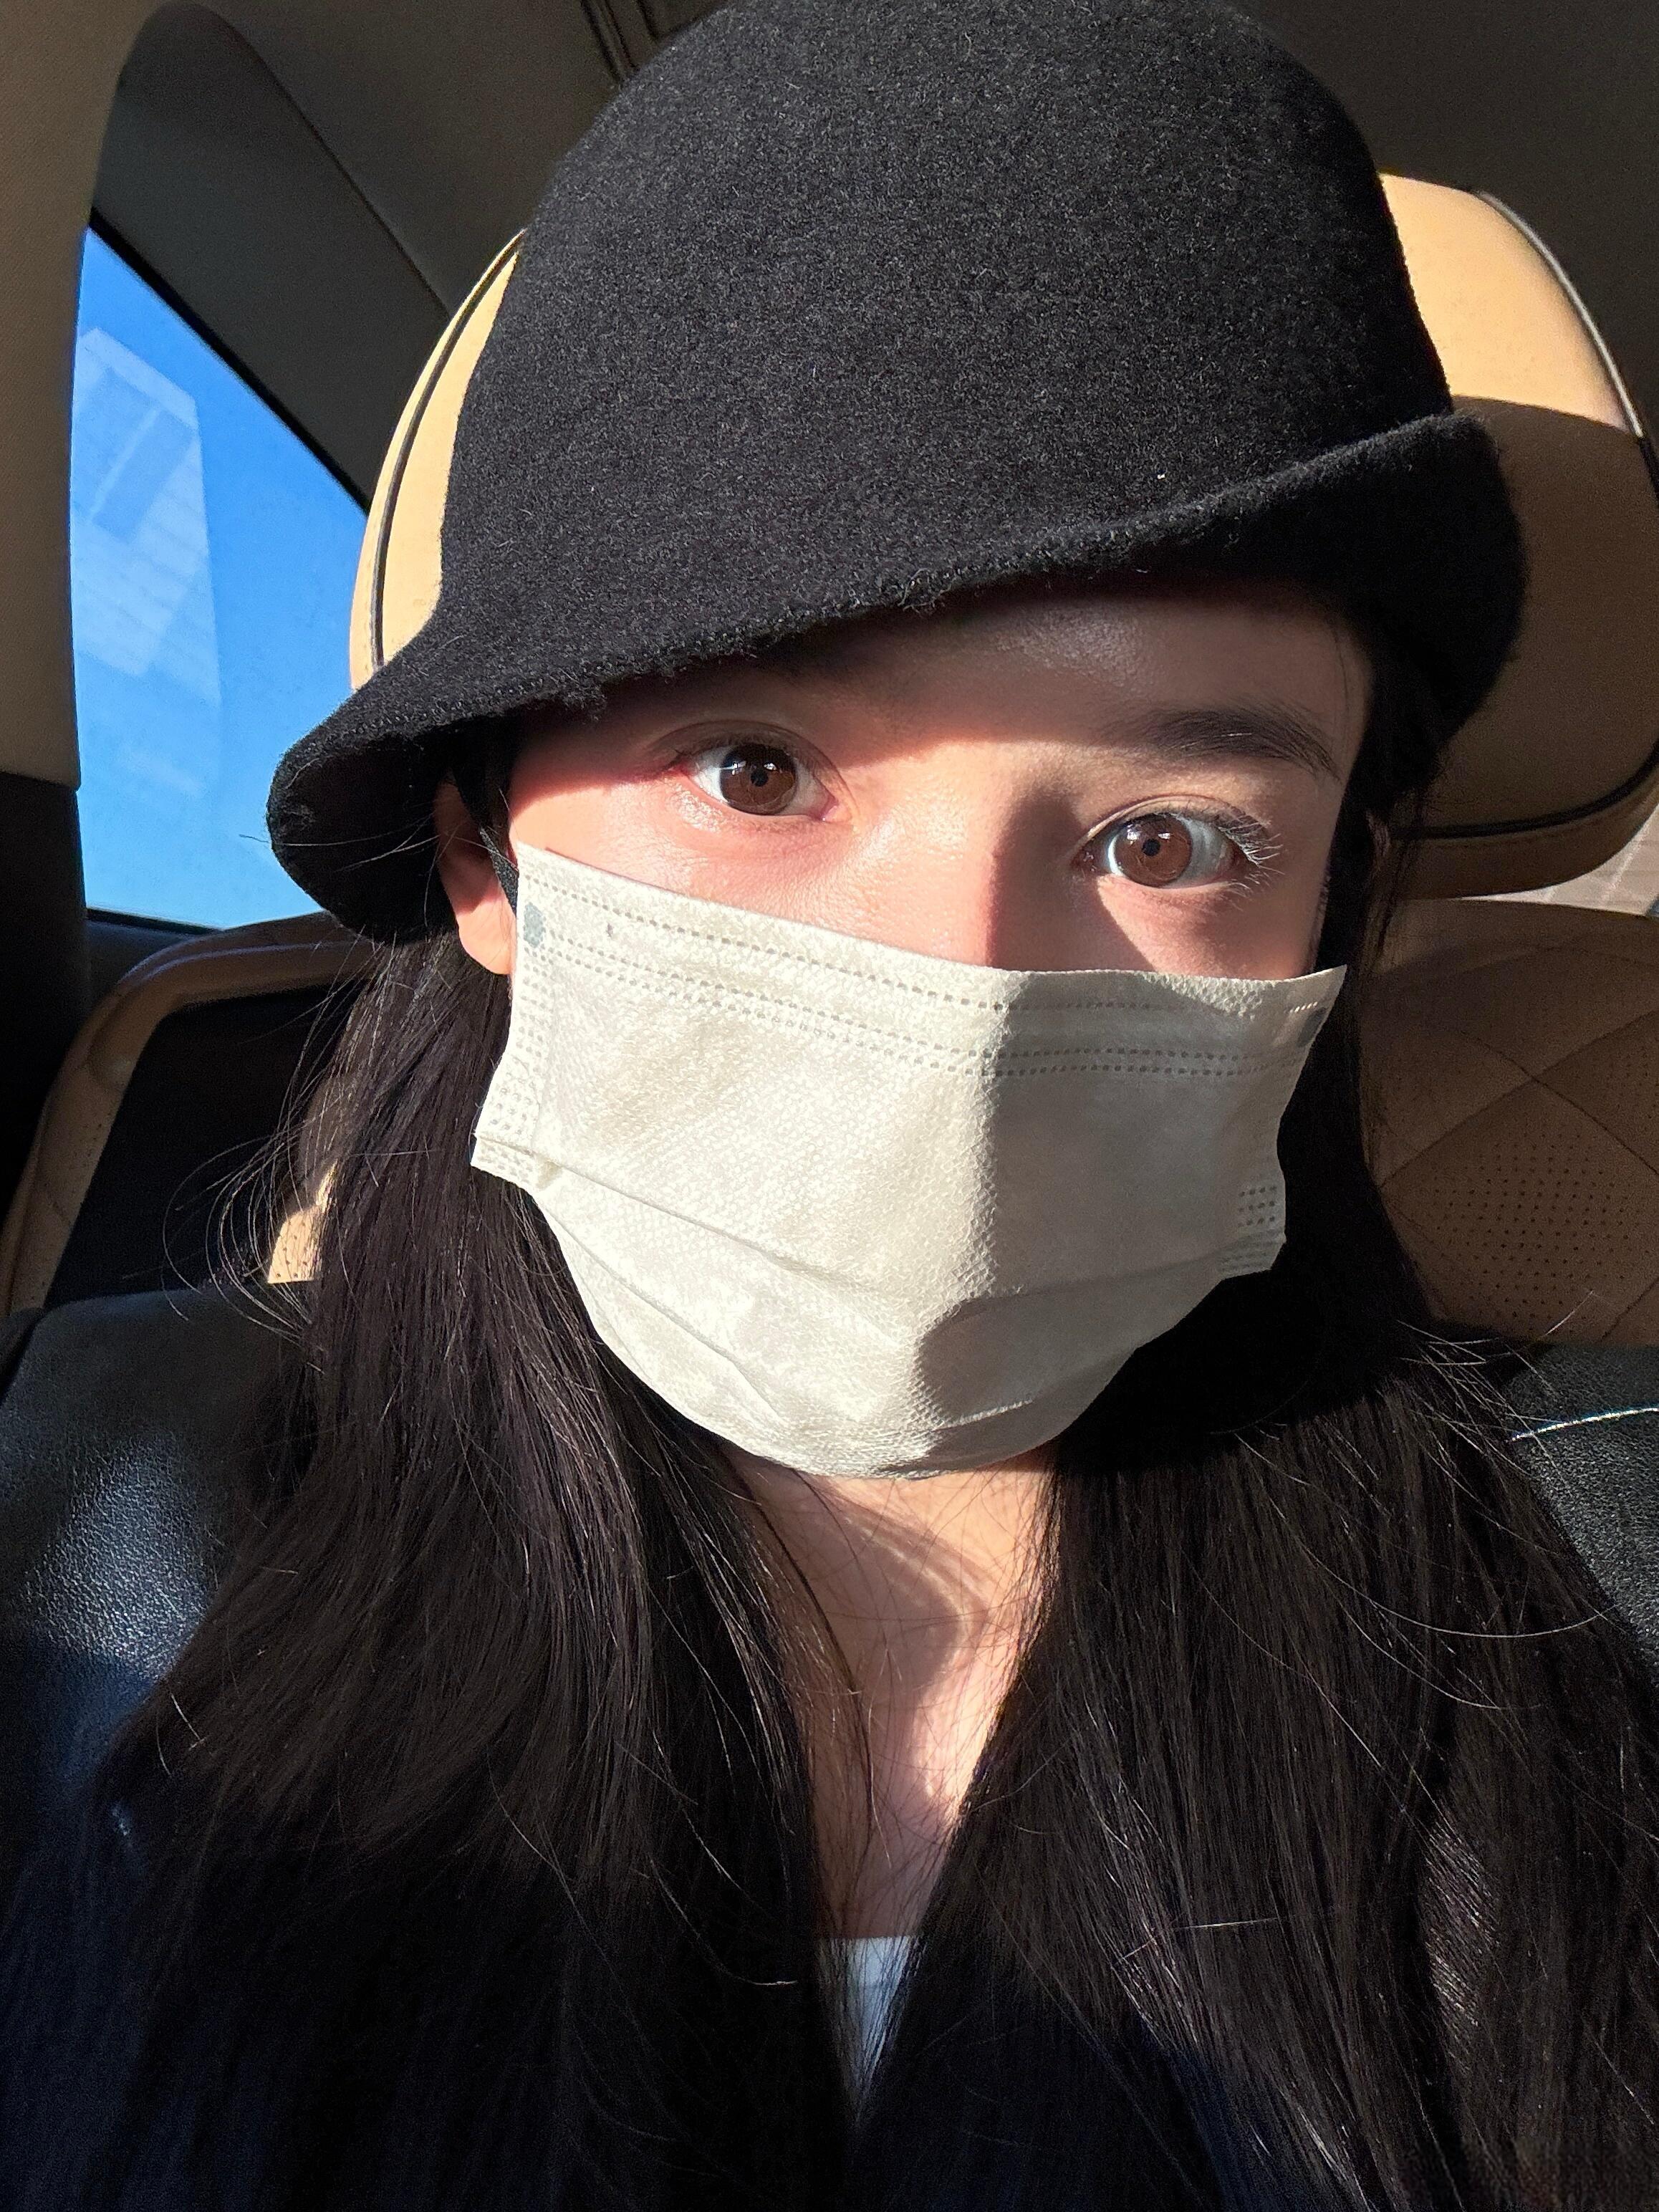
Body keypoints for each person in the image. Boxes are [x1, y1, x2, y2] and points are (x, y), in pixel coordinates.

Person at [4, 1, 1658, 2206]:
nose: (958, 983)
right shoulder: (68, 1530)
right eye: (754, 768)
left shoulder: (1605, 1578)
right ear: (484, 855)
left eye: (1168, 837)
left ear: (1323, 915)